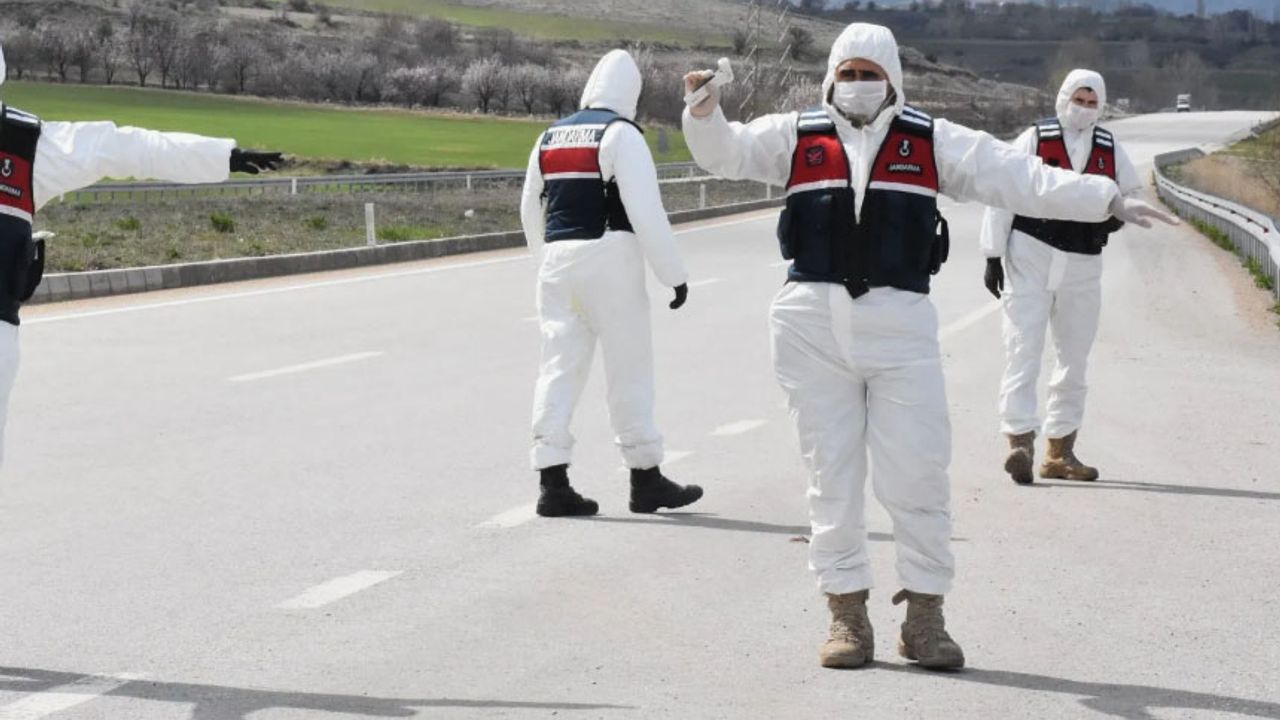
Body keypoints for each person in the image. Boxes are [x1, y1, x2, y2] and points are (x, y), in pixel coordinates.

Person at [681, 24, 1175, 669]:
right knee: (831, 479)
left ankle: (924, 617)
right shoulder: (796, 135)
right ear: (831, 77)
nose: (859, 83)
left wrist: (1105, 197)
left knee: (918, 475)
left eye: (870, 73)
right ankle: (846, 614)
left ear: (892, 78)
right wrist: (703, 111)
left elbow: (1019, 176)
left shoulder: (932, 140)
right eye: (848, 72)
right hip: (810, 327)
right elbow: (726, 153)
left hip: (902, 326)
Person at [0, 43, 283, 467]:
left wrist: (219, 156)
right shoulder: (29, 145)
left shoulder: (26, 145)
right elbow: (125, 147)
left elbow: (127, 148)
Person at [519, 49, 702, 518]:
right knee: (629, 369)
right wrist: (673, 275)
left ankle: (552, 481)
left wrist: (544, 261)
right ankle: (645, 478)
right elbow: (646, 212)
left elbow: (529, 206)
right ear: (630, 95)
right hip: (610, 259)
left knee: (557, 368)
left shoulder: (550, 135)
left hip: (557, 262)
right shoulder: (622, 135)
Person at [979, 70, 1141, 485]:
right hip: (1030, 253)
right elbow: (1002, 192)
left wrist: (1118, 216)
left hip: (1083, 261)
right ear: (1063, 98)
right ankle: (1019, 442)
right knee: (1023, 349)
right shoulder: (1035, 139)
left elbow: (1131, 193)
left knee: (1074, 357)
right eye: (1078, 99)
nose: (1083, 108)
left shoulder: (1108, 148)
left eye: (1092, 102)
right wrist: (993, 254)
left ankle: (1060, 451)